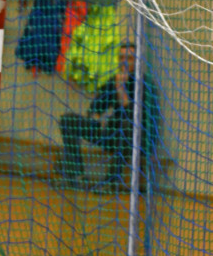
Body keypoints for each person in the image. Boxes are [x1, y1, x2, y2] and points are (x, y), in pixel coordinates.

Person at [56, 41, 159, 192]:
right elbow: (96, 106)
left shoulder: (145, 85)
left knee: (126, 126)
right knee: (68, 120)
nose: (124, 62)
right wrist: (97, 117)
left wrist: (121, 89)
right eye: (121, 57)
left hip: (136, 139)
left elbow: (135, 118)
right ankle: (75, 176)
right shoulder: (114, 80)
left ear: (137, 62)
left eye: (129, 58)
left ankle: (111, 181)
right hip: (111, 133)